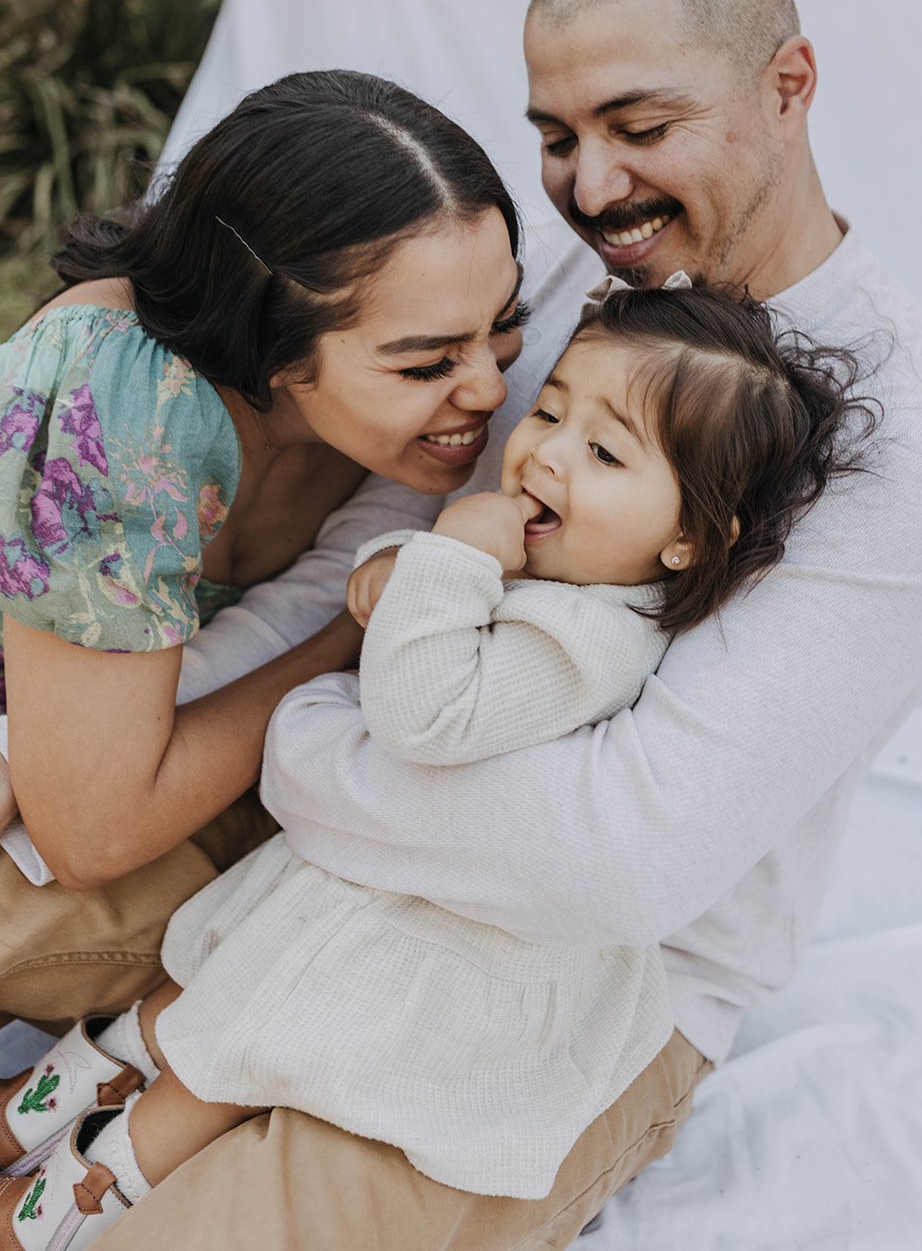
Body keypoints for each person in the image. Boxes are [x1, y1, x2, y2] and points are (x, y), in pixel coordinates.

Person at [21, 0, 922, 1251]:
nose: (591, 189)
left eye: (639, 128)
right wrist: (92, 750)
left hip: (564, 980)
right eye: (557, 137)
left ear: (787, 86)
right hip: (329, 836)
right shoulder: (558, 287)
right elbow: (346, 577)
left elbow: (616, 863)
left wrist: (315, 734)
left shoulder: (910, 447)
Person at [0, 280, 874, 1241]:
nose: (543, 449)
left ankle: (52, 1209)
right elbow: (413, 617)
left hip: (406, 954)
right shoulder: (534, 573)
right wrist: (402, 563)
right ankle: (30, 1118)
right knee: (174, 1016)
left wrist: (448, 562)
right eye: (549, 410)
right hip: (338, 896)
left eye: (604, 450)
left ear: (689, 538)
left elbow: (420, 714)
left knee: (204, 1074)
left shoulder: (588, 645)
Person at [0, 68, 527, 1032]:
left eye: (504, 327)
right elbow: (95, 827)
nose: (492, 390)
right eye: (428, 361)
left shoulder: (386, 433)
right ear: (274, 352)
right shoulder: (117, 399)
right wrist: (348, 638)